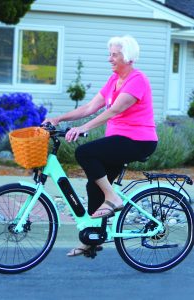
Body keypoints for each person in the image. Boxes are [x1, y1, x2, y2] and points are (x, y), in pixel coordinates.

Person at [43, 35, 158, 257]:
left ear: (128, 58)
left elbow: (114, 110)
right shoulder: (113, 80)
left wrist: (83, 128)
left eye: (114, 55)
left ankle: (113, 198)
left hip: (138, 141)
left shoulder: (138, 80)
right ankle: (92, 241)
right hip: (119, 140)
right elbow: (88, 107)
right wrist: (58, 119)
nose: (110, 59)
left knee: (84, 152)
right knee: (93, 186)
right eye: (110, 54)